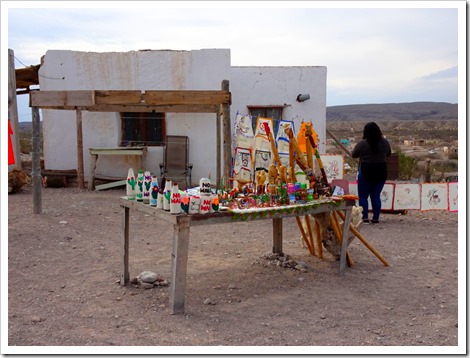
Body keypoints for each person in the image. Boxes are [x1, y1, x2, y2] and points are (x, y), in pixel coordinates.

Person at [351, 122, 391, 224]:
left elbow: (354, 155)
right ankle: (376, 218)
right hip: (381, 172)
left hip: (366, 171)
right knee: (376, 195)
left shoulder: (362, 144)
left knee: (363, 196)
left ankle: (364, 218)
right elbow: (389, 154)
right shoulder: (385, 143)